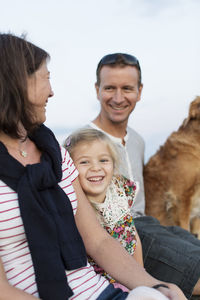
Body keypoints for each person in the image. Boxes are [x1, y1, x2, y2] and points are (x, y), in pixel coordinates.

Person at [0, 34, 185, 300]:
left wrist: (155, 286)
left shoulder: (54, 152)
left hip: (100, 292)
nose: (52, 91)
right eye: (46, 78)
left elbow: (97, 241)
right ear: (18, 83)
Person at [84, 52, 200, 299]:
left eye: (127, 88)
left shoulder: (138, 140)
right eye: (109, 88)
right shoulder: (80, 143)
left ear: (140, 91)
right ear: (97, 90)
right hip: (121, 234)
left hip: (152, 225)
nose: (118, 98)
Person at [64, 128, 143, 290]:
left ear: (114, 165)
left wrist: (141, 273)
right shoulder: (73, 203)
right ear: (70, 170)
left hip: (128, 273)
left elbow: (132, 233)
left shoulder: (120, 189)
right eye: (84, 162)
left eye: (103, 160)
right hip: (96, 284)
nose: (95, 168)